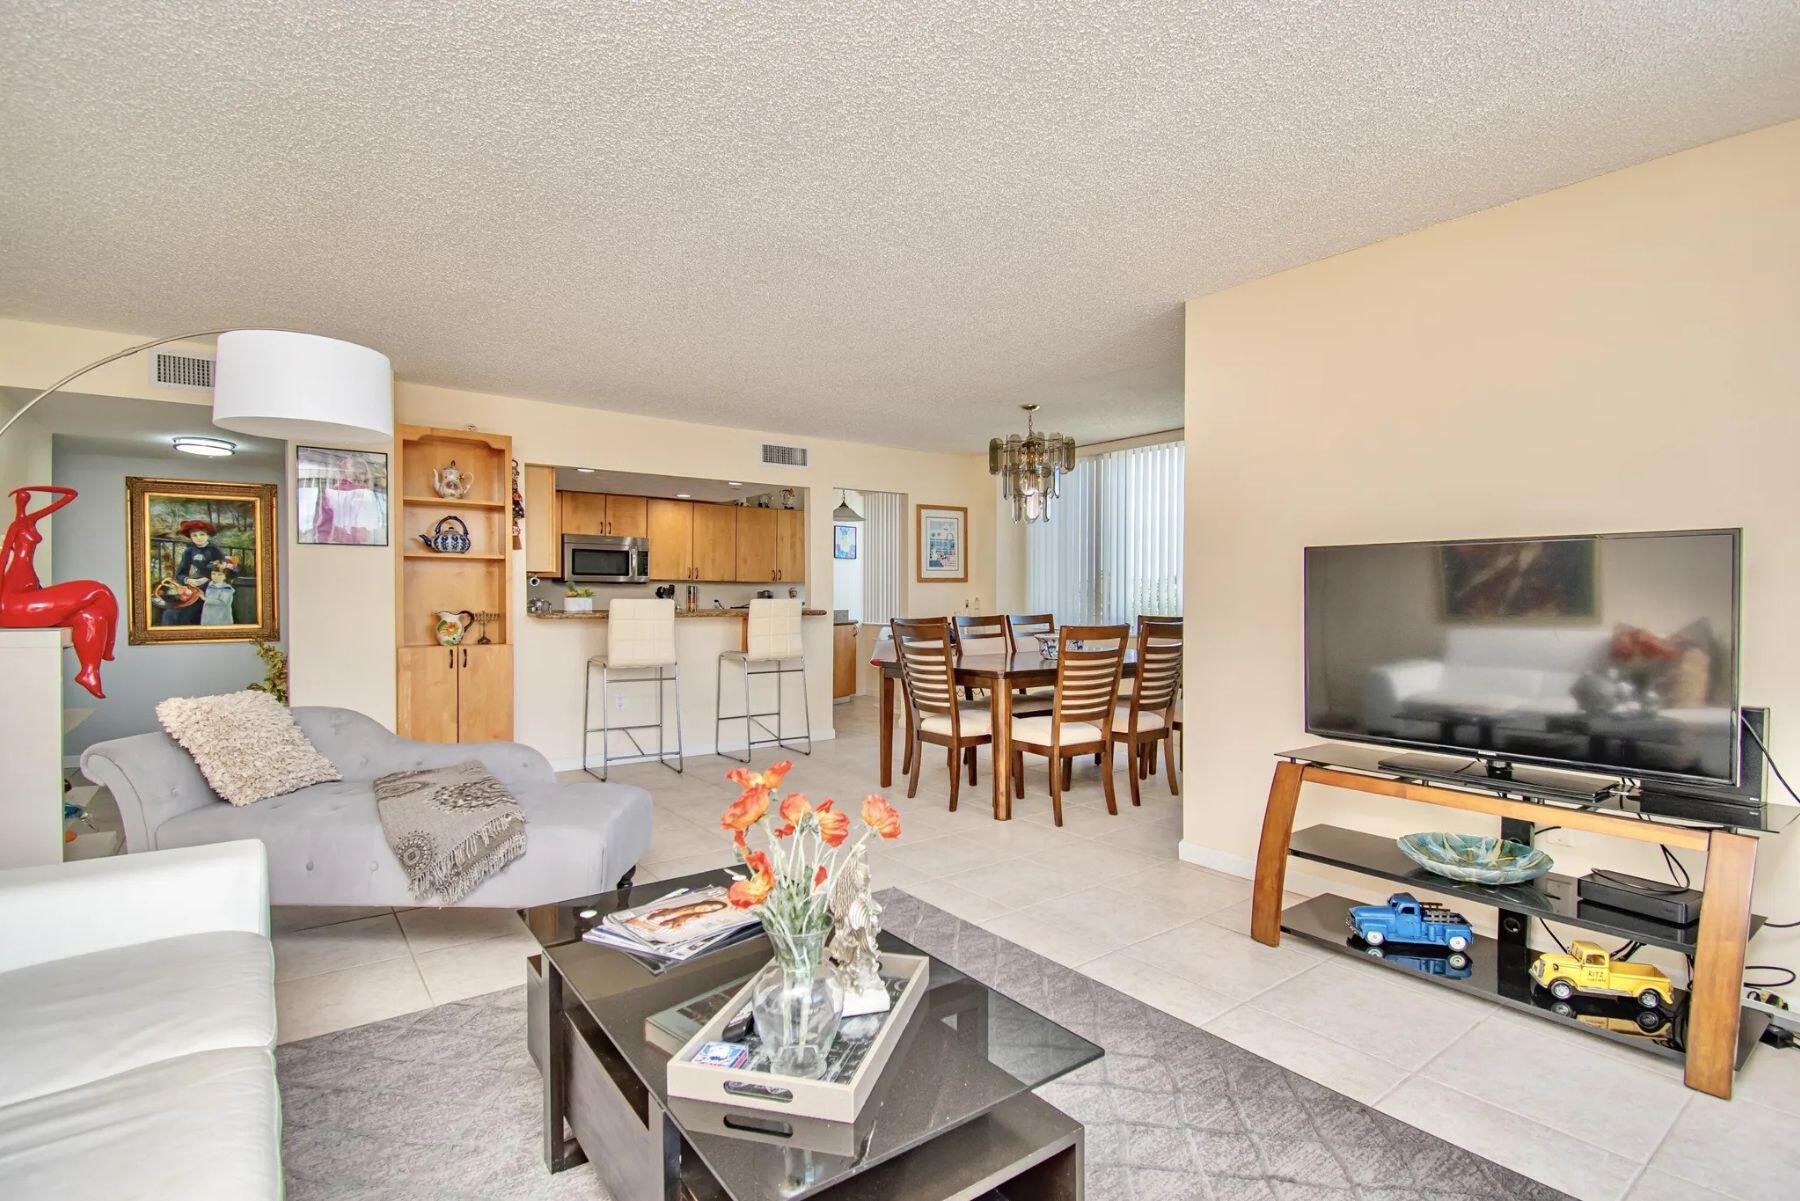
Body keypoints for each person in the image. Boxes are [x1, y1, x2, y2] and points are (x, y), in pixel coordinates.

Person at [0, 487, 117, 698]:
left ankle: (89, 672)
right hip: (14, 601)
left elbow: (69, 495)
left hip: (29, 591)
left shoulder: (31, 520)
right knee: (99, 590)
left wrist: (36, 489)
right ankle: (108, 651)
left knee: (93, 617)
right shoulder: (16, 526)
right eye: (24, 498)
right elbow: (4, 559)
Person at [161, 519, 235, 625]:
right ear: (190, 537)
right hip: (194, 590)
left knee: (191, 614)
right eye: (194, 535)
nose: (198, 538)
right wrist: (188, 580)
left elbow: (223, 571)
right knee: (170, 613)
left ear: (208, 535)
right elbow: (180, 574)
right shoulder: (189, 551)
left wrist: (205, 579)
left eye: (202, 534)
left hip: (212, 590)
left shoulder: (214, 550)